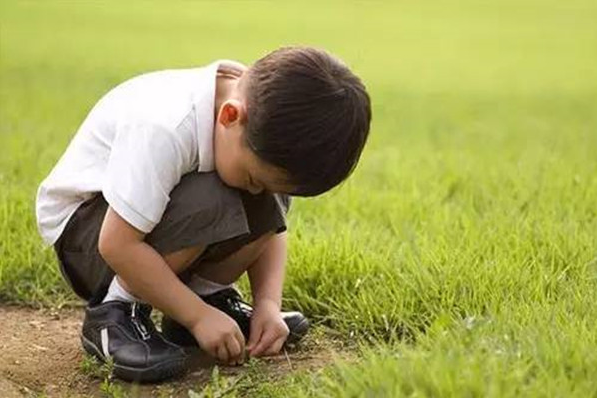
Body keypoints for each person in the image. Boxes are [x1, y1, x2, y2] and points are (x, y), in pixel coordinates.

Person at [35, 46, 371, 382]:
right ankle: (114, 312)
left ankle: (202, 301)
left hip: (139, 231)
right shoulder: (164, 127)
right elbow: (117, 245)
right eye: (255, 178)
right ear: (229, 117)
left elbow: (272, 226)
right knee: (215, 199)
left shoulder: (256, 111)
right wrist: (199, 317)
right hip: (87, 238)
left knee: (261, 198)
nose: (257, 191)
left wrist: (268, 304)